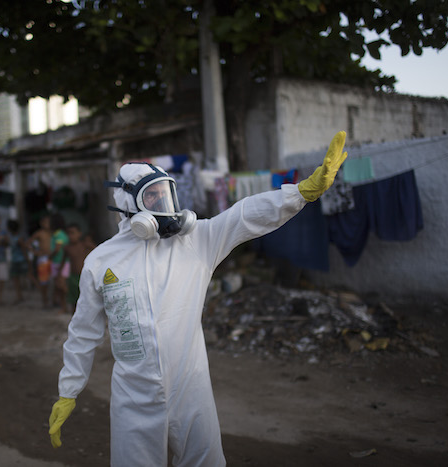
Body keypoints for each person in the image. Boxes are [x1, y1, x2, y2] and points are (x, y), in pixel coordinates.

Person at [48, 131, 348, 466]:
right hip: (134, 397)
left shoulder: (196, 243)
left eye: (167, 195)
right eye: (154, 198)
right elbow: (84, 333)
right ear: (129, 205)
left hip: (191, 388)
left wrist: (300, 193)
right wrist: (68, 390)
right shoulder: (100, 262)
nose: (165, 207)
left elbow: (244, 215)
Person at [62, 224, 94, 315]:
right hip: (72, 277)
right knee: (74, 301)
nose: (70, 236)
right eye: (68, 234)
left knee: (87, 299)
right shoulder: (67, 248)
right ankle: (74, 318)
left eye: (73, 233)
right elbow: (63, 262)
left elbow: (99, 252)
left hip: (84, 276)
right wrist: (61, 276)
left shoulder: (85, 245)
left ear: (79, 234)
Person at [28, 215, 53, 308]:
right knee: (44, 282)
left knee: (52, 281)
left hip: (52, 258)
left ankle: (52, 300)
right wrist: (35, 252)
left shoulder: (53, 233)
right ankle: (45, 301)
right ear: (41, 223)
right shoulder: (39, 233)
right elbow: (28, 243)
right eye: (46, 222)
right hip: (42, 259)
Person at [49, 214, 69, 314]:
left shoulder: (59, 234)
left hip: (60, 262)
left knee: (61, 285)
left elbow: (57, 248)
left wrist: (50, 256)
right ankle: (64, 306)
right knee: (60, 286)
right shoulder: (60, 234)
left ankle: (66, 305)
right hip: (60, 262)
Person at [6, 219, 29, 305]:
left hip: (19, 260)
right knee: (17, 279)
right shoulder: (13, 238)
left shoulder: (17, 238)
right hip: (17, 260)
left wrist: (28, 261)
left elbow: (24, 250)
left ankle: (19, 296)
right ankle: (19, 296)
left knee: (20, 279)